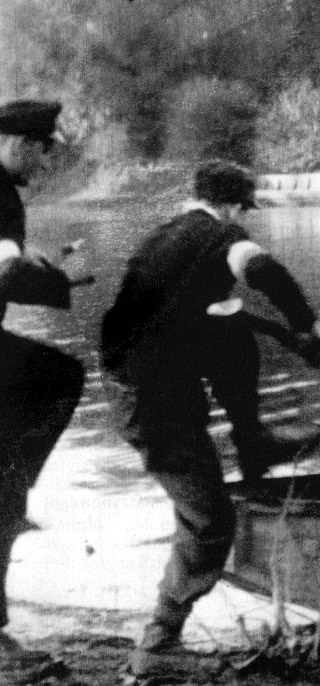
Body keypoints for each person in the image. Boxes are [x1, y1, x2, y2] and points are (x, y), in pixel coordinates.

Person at [99, 160, 320, 678]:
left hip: (148, 382)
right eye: (242, 209)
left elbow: (215, 316)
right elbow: (263, 270)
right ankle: (158, 645)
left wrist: (286, 337)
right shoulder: (222, 235)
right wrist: (313, 327)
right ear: (233, 204)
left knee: (233, 326)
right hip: (152, 403)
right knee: (210, 522)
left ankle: (252, 441)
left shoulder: (165, 238)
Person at [0, 99, 85, 676]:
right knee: (60, 376)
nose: (45, 169)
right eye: (44, 156)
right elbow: (4, 274)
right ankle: (14, 482)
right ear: (21, 145)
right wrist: (61, 278)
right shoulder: (2, 194)